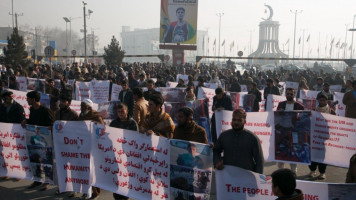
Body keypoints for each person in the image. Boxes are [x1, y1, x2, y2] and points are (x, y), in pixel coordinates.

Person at [21, 91, 54, 191]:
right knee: (35, 160)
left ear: (34, 99)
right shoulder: (32, 109)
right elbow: (32, 121)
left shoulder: (45, 110)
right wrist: (26, 121)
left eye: (28, 99)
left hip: (45, 141)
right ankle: (37, 180)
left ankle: (47, 182)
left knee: (45, 162)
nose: (27, 100)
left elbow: (52, 124)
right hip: (34, 140)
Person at [213, 109, 264, 173]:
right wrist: (217, 161)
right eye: (234, 119)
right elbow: (216, 151)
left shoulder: (252, 138)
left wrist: (258, 179)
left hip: (247, 176)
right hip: (228, 176)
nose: (236, 122)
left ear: (245, 121)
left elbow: (259, 160)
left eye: (239, 120)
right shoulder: (224, 136)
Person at [109, 103, 138, 200]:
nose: (121, 113)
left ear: (127, 111)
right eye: (119, 112)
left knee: (126, 178)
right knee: (116, 177)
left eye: (122, 111)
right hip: (116, 156)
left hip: (128, 156)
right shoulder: (113, 123)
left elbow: (137, 140)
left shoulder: (132, 123)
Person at [78, 98, 103, 199]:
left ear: (88, 107)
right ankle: (86, 191)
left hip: (94, 148)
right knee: (84, 170)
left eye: (83, 106)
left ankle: (96, 191)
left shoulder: (97, 116)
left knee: (93, 171)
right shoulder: (81, 115)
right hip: (83, 145)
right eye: (81, 106)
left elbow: (102, 130)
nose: (81, 108)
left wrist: (95, 125)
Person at [276, 88, 304, 174]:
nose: (289, 95)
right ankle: (280, 171)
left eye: (291, 94)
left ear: (294, 95)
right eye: (288, 94)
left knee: (293, 151)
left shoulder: (300, 106)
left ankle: (293, 172)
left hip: (294, 131)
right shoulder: (281, 104)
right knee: (281, 151)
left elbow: (303, 119)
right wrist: (278, 112)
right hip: (282, 130)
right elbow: (276, 117)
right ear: (285, 94)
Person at [308, 93, 335, 180]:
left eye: (324, 100)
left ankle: (322, 173)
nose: (322, 102)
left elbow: (335, 123)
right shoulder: (314, 110)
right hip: (314, 137)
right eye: (320, 100)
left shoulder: (331, 111)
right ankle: (312, 170)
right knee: (313, 154)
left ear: (327, 101)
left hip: (324, 138)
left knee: (322, 156)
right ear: (318, 100)